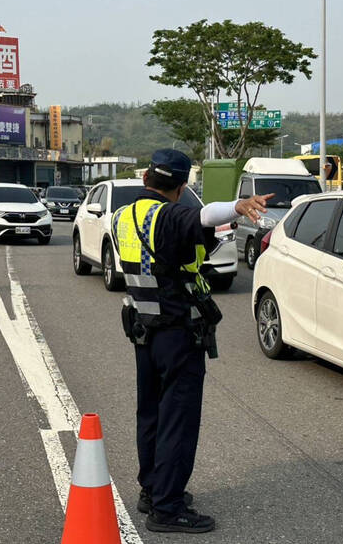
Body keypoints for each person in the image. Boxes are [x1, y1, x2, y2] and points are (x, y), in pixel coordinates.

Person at [111, 149, 272, 534]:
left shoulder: (121, 217)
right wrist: (237, 205)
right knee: (177, 420)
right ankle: (167, 508)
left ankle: (153, 490)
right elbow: (203, 216)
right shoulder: (168, 215)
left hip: (142, 330)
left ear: (146, 178)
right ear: (181, 187)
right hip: (176, 333)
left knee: (150, 414)